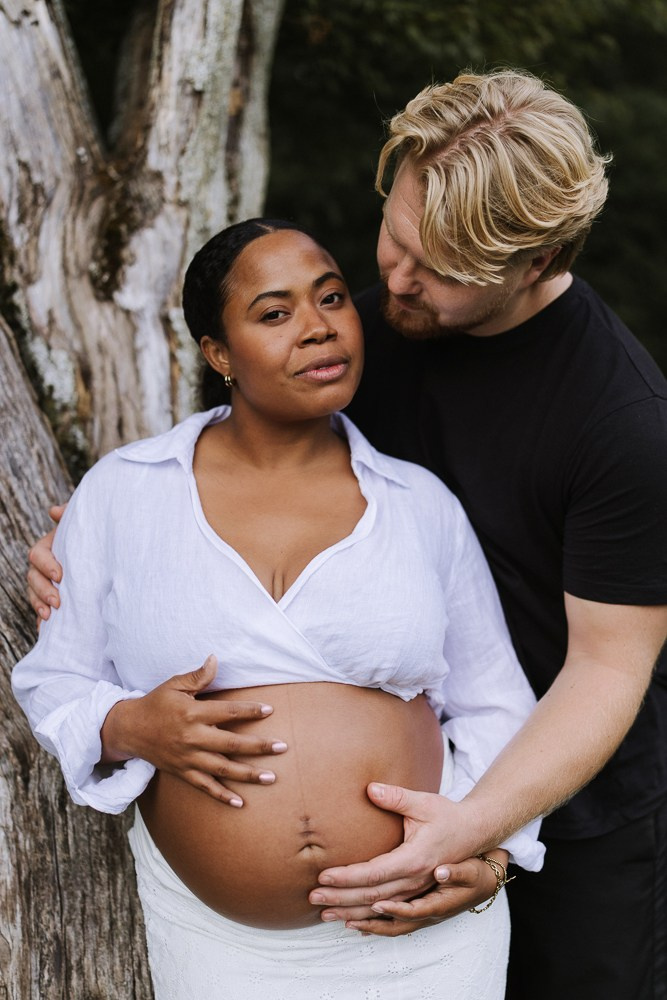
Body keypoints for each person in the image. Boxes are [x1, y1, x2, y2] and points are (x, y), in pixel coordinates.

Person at [26, 70, 667, 998]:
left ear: (536, 262)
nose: (394, 281)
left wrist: (483, 831)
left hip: (574, 806)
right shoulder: (362, 333)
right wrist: (90, 549)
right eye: (395, 237)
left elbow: (606, 669)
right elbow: (218, 474)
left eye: (438, 269)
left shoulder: (624, 424)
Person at [13, 218, 544, 999]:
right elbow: (54, 681)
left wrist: (489, 856)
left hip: (423, 927)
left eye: (331, 298)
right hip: (221, 948)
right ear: (218, 353)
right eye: (274, 312)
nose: (319, 327)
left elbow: (495, 706)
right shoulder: (126, 492)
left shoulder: (418, 503)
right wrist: (127, 726)